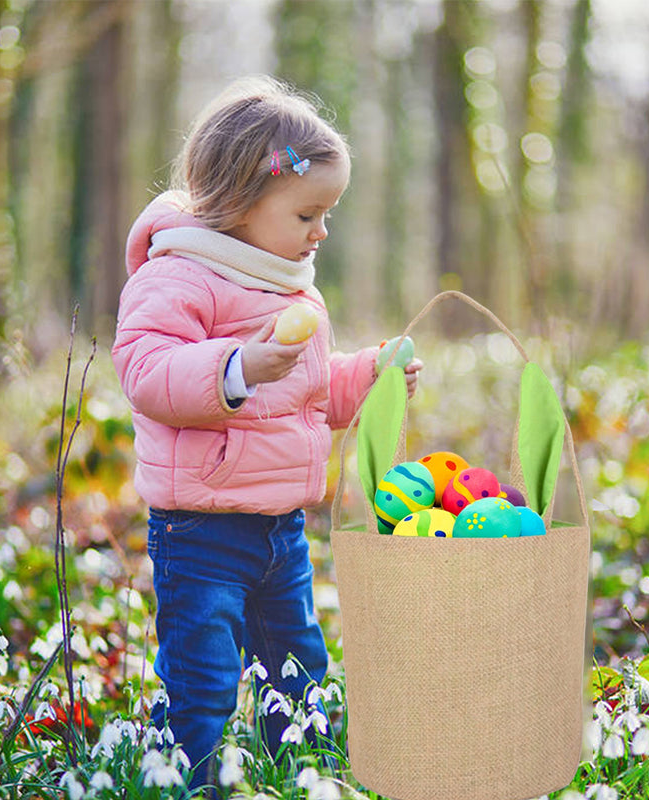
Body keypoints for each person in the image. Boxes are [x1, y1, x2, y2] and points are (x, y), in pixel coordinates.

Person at [112, 75, 422, 793]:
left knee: (298, 666)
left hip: (280, 528)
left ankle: (295, 772)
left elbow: (309, 394)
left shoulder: (290, 285)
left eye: (328, 214)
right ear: (242, 203)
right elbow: (148, 372)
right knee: (206, 675)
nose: (321, 232)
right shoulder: (179, 277)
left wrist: (370, 380)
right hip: (201, 529)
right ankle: (184, 776)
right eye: (308, 212)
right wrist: (236, 366)